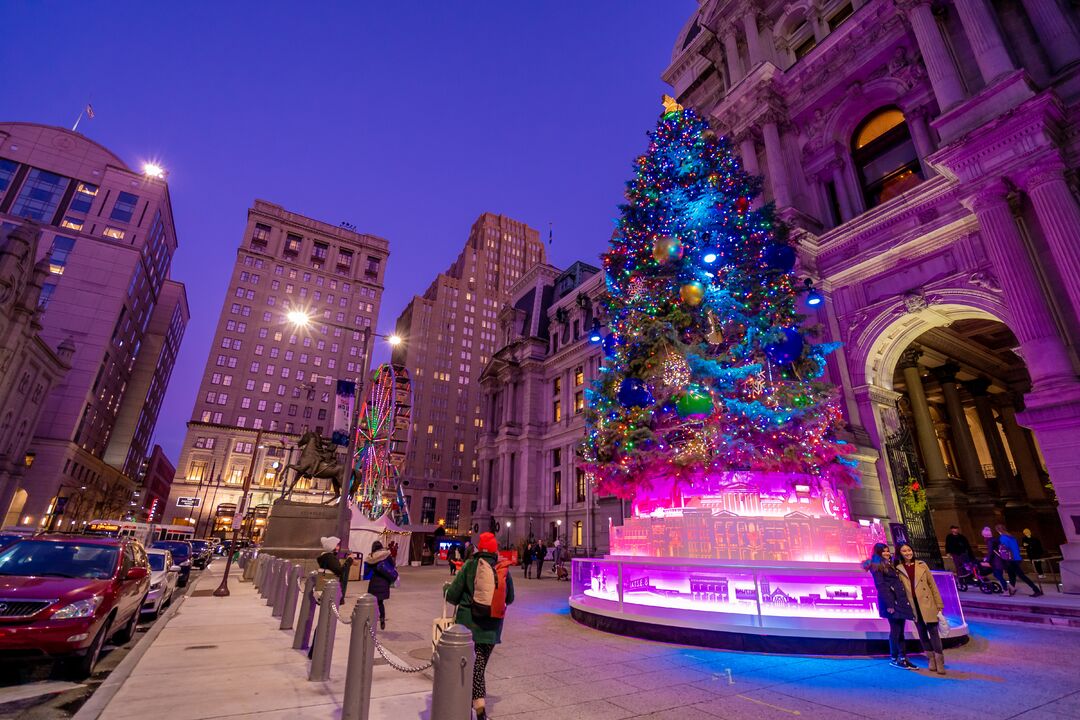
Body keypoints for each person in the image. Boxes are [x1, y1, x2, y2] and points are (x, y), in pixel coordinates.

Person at [445, 532, 514, 720]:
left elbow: (452, 596)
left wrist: (446, 589)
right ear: (494, 551)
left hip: (469, 627)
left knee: (472, 667)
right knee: (478, 666)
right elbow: (511, 598)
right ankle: (475, 705)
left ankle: (478, 707)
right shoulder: (502, 569)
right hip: (491, 629)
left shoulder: (470, 565)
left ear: (478, 548)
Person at [863, 542, 915, 669]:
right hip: (891, 602)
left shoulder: (888, 564)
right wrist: (890, 604)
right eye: (883, 551)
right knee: (896, 631)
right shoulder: (877, 566)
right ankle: (895, 658)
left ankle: (902, 657)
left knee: (900, 630)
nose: (887, 553)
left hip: (898, 600)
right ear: (878, 553)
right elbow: (881, 586)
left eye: (887, 550)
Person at [896, 543, 946, 675]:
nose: (907, 553)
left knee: (934, 632)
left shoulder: (922, 565)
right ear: (900, 553)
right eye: (904, 551)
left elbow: (932, 585)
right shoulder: (899, 568)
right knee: (922, 632)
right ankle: (931, 659)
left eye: (909, 550)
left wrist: (939, 604)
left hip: (927, 602)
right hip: (913, 605)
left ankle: (939, 660)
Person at [995, 524, 1043, 597]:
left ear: (998, 530)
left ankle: (1036, 590)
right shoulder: (1011, 537)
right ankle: (1011, 590)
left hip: (1010, 559)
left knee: (1021, 576)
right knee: (1011, 575)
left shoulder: (1002, 538)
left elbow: (1004, 549)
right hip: (1017, 558)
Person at [364, 541, 398, 630]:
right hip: (384, 581)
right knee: (380, 602)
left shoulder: (371, 557)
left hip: (374, 581)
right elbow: (393, 565)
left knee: (371, 602)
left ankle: (371, 620)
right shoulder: (386, 555)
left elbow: (367, 571)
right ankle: (382, 618)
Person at [316, 536, 353, 602]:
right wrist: (349, 560)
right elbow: (340, 571)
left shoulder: (324, 557)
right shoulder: (330, 558)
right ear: (332, 547)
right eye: (337, 545)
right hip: (333, 591)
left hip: (327, 587)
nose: (338, 547)